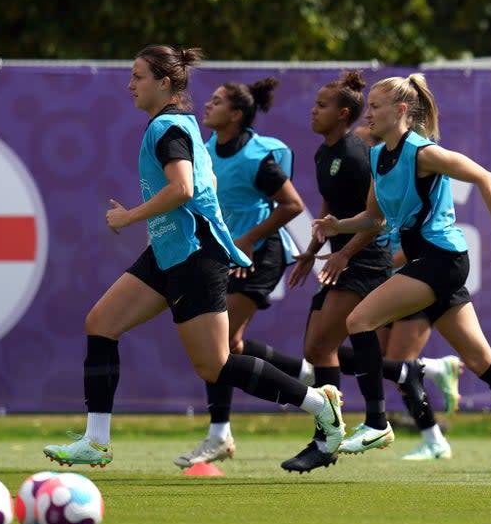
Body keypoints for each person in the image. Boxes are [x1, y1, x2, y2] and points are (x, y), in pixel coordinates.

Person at [42, 45, 344, 469]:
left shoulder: (166, 127)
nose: (130, 84)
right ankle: (96, 440)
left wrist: (130, 216)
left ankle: (318, 404)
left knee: (215, 365)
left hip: (193, 254)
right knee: (101, 323)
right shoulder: (174, 125)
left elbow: (183, 188)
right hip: (168, 251)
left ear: (164, 82)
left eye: (138, 76)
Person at [312, 73, 491, 471]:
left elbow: (485, 177)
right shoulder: (376, 155)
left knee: (359, 320)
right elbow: (374, 217)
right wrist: (338, 226)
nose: (368, 113)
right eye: (369, 106)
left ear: (401, 111)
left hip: (441, 259)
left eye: (375, 106)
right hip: (429, 260)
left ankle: (376, 422)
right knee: (481, 362)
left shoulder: (422, 152)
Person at [238, 71, 461, 472]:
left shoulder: (360, 156)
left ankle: (329, 438)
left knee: (323, 348)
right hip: (339, 257)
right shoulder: (326, 153)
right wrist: (312, 250)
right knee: (314, 349)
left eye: (322, 106)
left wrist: (344, 253)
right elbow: (329, 207)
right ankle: (405, 374)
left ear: (343, 114)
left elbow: (373, 221)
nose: (313, 111)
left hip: (364, 260)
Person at [173, 77, 308, 468]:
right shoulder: (207, 149)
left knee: (221, 342)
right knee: (230, 346)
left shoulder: (255, 158)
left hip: (261, 255)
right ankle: (306, 373)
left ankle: (219, 434)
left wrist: (247, 241)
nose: (207, 106)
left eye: (216, 102)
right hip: (227, 255)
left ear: (235, 114)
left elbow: (292, 205)